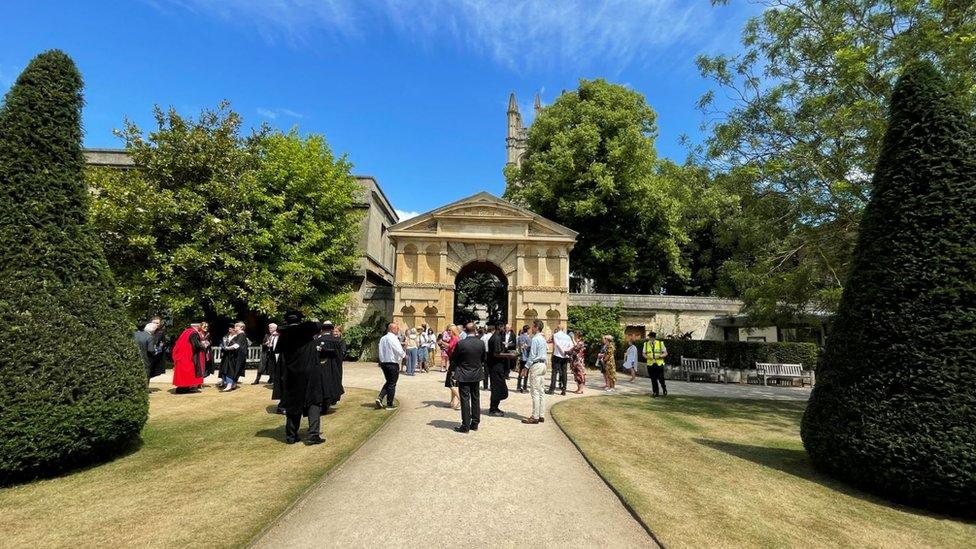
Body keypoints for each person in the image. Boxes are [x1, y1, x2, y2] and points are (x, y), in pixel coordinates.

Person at [277, 311, 326, 444]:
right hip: (310, 371)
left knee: (293, 403)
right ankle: (313, 435)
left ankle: (291, 435)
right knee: (314, 402)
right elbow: (318, 324)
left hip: (293, 372)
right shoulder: (306, 330)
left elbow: (280, 351)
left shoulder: (284, 335)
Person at [450, 323, 485, 433]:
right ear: (475, 330)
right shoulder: (481, 343)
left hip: (464, 374)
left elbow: (454, 359)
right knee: (475, 398)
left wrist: (453, 370)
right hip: (476, 373)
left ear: (465, 330)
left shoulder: (461, 344)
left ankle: (465, 425)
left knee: (465, 399)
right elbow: (483, 358)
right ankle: (475, 423)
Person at [314, 321, 346, 409]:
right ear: (331, 329)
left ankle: (322, 401)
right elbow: (339, 356)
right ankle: (331, 400)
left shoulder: (316, 341)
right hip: (334, 366)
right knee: (333, 382)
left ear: (322, 329)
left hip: (321, 366)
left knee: (322, 383)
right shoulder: (336, 341)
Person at [522, 319, 548, 424]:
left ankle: (535, 416)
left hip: (536, 365)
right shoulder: (542, 338)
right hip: (543, 364)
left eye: (533, 326)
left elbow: (532, 355)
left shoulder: (535, 339)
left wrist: (526, 367)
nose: (531, 328)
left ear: (536, 327)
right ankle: (541, 414)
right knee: (541, 391)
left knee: (535, 392)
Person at [376, 323, 405, 409]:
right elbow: (397, 348)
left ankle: (380, 398)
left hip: (384, 363)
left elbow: (380, 350)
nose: (398, 330)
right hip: (392, 363)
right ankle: (389, 404)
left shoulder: (383, 338)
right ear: (392, 329)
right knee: (392, 383)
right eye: (396, 328)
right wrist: (404, 355)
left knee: (389, 382)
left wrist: (381, 360)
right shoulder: (393, 338)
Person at [487, 321, 512, 416]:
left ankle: (495, 407)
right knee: (497, 388)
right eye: (503, 328)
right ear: (499, 327)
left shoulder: (496, 337)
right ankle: (493, 409)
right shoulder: (496, 338)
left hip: (496, 367)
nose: (504, 329)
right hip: (496, 367)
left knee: (497, 387)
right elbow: (496, 354)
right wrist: (509, 355)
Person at [172, 323, 206, 393]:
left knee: (183, 373)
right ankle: (187, 388)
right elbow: (196, 345)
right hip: (188, 356)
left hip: (182, 355)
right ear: (197, 326)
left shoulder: (186, 331)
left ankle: (181, 388)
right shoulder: (193, 333)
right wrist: (203, 346)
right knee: (190, 372)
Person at [549, 325, 572, 396]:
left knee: (554, 372)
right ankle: (564, 389)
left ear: (558, 328)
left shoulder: (555, 335)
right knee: (564, 372)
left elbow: (557, 344)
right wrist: (566, 351)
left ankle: (552, 389)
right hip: (565, 356)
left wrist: (562, 351)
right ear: (563, 329)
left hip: (557, 355)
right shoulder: (567, 336)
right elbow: (571, 345)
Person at [643, 331, 669, 397]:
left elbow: (665, 353)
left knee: (661, 378)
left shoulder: (660, 343)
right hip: (650, 364)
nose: (650, 339)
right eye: (650, 337)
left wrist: (660, 356)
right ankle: (655, 392)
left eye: (652, 337)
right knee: (653, 379)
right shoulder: (646, 344)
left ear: (654, 338)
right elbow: (643, 354)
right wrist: (648, 357)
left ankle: (664, 388)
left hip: (659, 364)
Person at [443, 325, 462, 409]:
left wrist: (442, 342)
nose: (448, 331)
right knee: (452, 383)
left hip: (455, 362)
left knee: (450, 383)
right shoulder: (453, 338)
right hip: (453, 361)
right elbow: (450, 350)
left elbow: (450, 346)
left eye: (450, 330)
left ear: (454, 331)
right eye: (448, 330)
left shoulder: (455, 338)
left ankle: (460, 400)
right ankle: (452, 402)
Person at [516, 326, 531, 393]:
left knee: (520, 372)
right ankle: (524, 387)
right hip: (526, 357)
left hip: (521, 356)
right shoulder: (528, 338)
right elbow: (529, 348)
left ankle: (518, 386)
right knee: (526, 373)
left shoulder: (519, 337)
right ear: (527, 330)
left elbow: (518, 346)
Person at [480, 325, 494, 390]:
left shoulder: (484, 336)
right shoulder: (493, 336)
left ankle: (485, 386)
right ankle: (492, 386)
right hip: (492, 354)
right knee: (492, 371)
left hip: (485, 353)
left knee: (485, 371)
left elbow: (480, 345)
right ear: (492, 330)